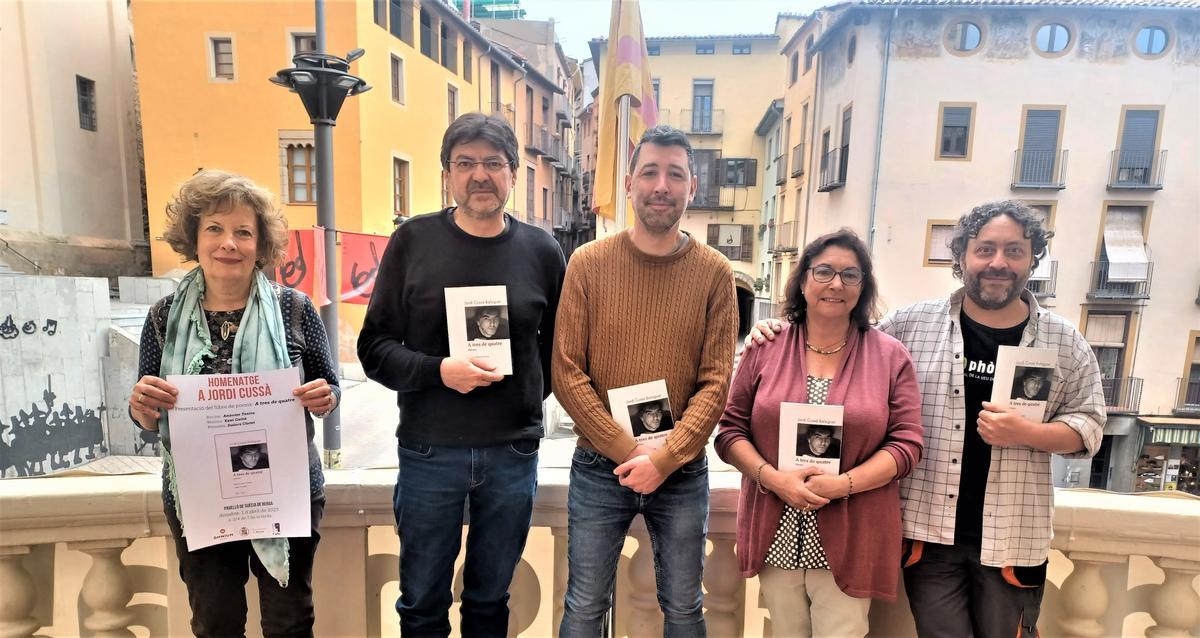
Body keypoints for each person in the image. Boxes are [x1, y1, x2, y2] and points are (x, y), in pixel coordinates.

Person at [748, 201, 1105, 638]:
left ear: (1033, 258)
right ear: (962, 257)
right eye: (985, 249)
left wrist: (1028, 433)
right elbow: (837, 332)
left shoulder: (1063, 340)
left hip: (1013, 536)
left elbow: (1089, 427)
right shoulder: (910, 327)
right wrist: (775, 329)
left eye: (1014, 251)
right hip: (929, 534)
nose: (998, 262)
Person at [357, 113, 565, 637]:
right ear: (447, 173)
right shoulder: (413, 241)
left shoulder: (542, 251)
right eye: (465, 163)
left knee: (490, 602)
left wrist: (523, 399)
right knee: (422, 604)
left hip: (512, 454)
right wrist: (439, 371)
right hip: (430, 452)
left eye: (493, 163)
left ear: (513, 174)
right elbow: (374, 349)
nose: (480, 175)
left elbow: (561, 351)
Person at [129, 170, 340, 637]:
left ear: (259, 244)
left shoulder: (295, 308)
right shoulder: (163, 315)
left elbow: (330, 387)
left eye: (243, 231)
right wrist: (143, 406)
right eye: (215, 229)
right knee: (215, 622)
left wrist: (324, 398)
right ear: (194, 238)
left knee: (289, 621)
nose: (229, 243)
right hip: (200, 495)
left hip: (284, 491)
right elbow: (144, 412)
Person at [552, 124, 737, 636]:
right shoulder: (587, 264)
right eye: (650, 172)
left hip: (681, 471)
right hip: (598, 467)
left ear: (691, 188)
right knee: (585, 605)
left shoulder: (715, 273)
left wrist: (665, 457)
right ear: (630, 183)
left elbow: (716, 382)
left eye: (675, 174)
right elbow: (567, 370)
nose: (662, 185)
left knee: (684, 607)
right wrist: (627, 450)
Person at [715, 229, 923, 637]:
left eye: (850, 275)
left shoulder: (889, 356)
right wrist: (774, 480)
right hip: (776, 528)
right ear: (803, 279)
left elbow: (907, 444)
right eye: (824, 271)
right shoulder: (765, 348)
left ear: (863, 287)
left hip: (853, 530)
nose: (835, 284)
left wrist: (843, 484)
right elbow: (729, 431)